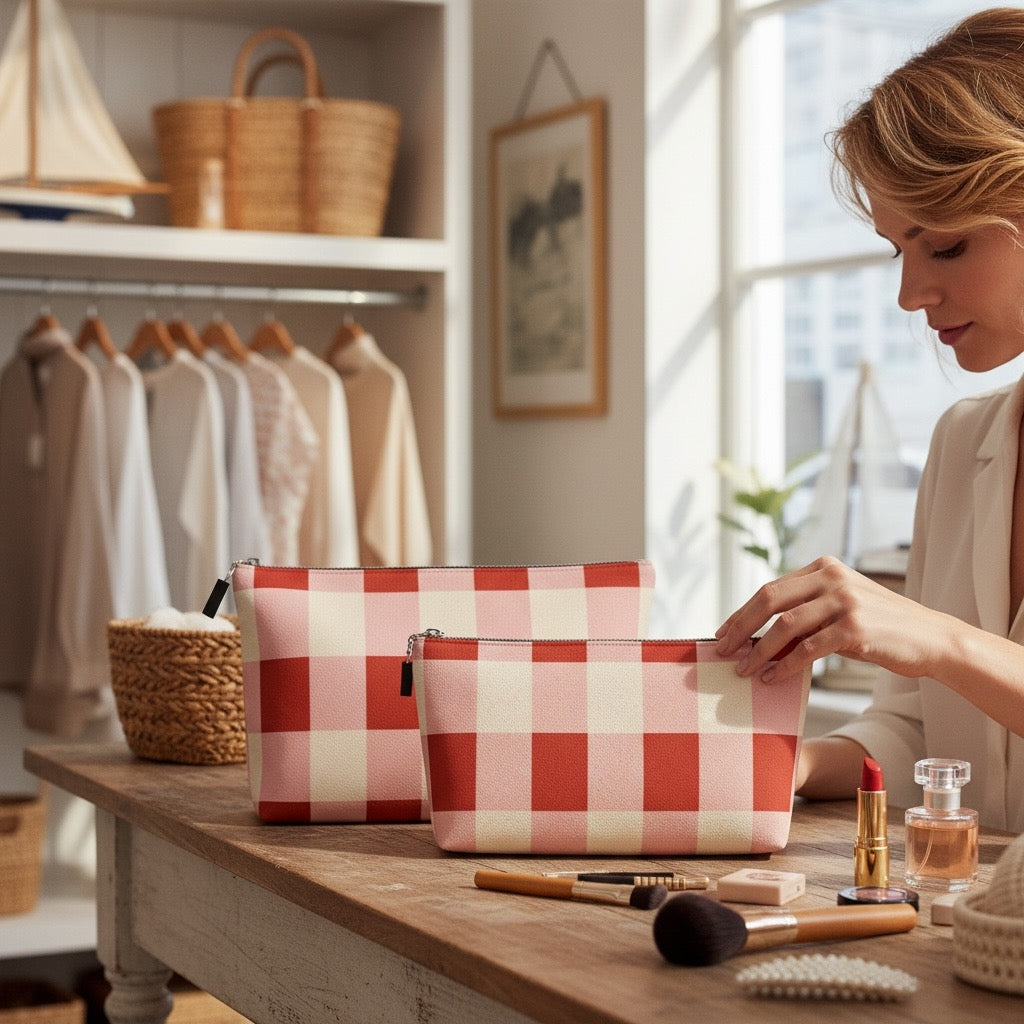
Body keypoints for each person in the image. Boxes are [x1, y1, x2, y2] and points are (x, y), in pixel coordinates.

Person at [714, 7, 1024, 833]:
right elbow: (917, 733)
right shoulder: (964, 443)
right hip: (971, 937)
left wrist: (938, 641)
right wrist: (785, 763)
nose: (909, 294)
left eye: (946, 246)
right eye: (899, 250)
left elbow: (949, 663)